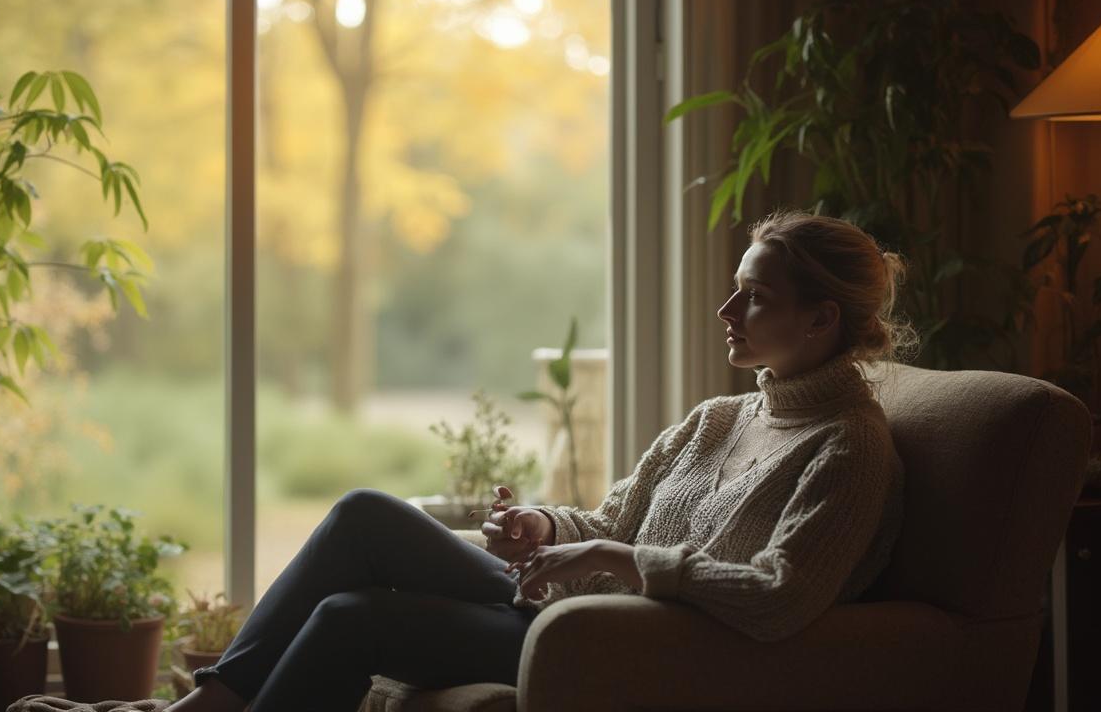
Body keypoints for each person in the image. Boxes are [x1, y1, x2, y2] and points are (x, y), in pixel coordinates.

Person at [172, 209, 915, 712]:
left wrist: (625, 562)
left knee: (349, 618)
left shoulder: (849, 446)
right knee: (363, 515)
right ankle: (212, 700)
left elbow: (781, 595)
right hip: (573, 605)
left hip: (630, 645)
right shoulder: (718, 418)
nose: (725, 311)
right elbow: (608, 521)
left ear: (820, 320)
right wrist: (543, 525)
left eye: (753, 297)